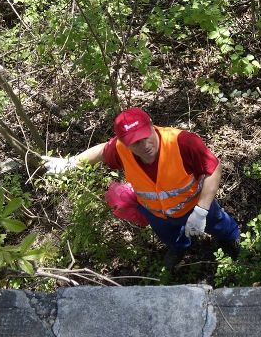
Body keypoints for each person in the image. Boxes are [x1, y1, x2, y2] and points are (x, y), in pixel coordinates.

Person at [43, 107, 240, 270]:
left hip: (195, 206)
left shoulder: (181, 142)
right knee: (169, 235)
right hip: (157, 213)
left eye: (146, 136)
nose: (145, 145)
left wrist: (202, 210)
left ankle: (231, 241)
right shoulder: (121, 149)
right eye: (135, 143)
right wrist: (72, 163)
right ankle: (179, 248)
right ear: (124, 142)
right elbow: (102, 151)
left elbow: (213, 169)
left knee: (219, 223)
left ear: (151, 125)